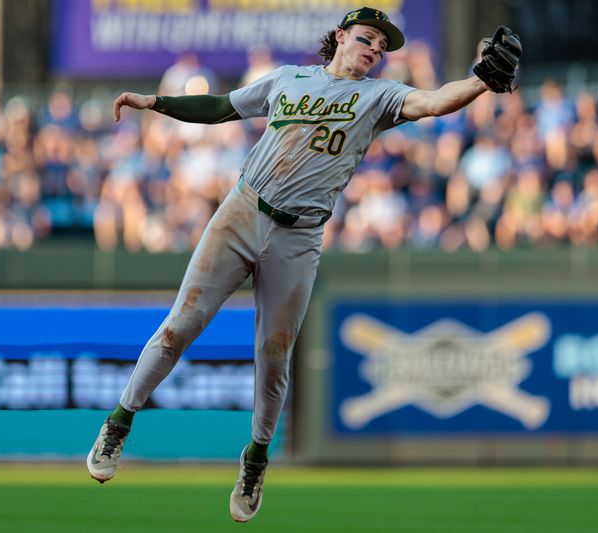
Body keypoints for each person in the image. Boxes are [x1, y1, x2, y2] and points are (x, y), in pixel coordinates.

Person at [86, 7, 521, 522]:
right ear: (340, 36)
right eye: (366, 38)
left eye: (382, 46)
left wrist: (477, 81)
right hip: (243, 210)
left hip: (300, 234)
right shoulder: (287, 79)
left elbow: (432, 102)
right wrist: (154, 102)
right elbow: (221, 106)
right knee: (179, 327)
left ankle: (255, 459)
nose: (374, 50)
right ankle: (118, 423)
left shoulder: (377, 96)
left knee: (274, 353)